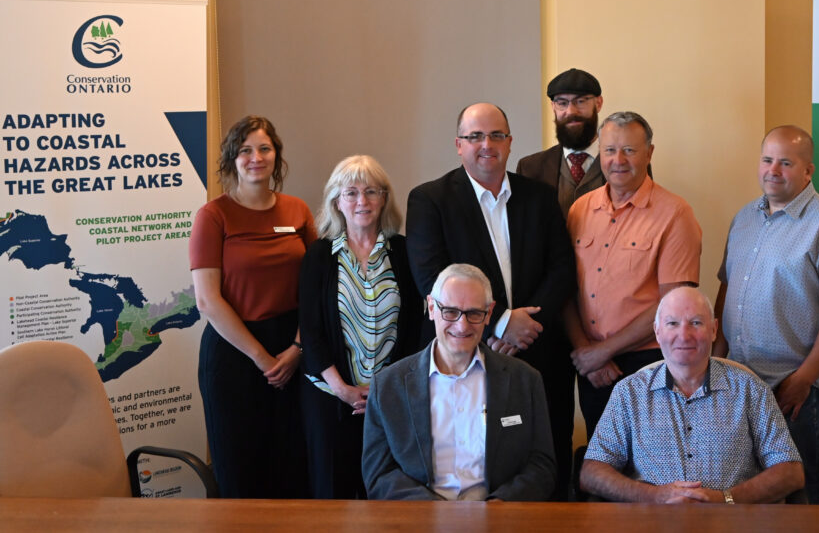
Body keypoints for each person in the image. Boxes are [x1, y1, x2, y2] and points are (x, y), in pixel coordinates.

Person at [405, 102, 576, 498]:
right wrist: (499, 323)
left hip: (538, 353)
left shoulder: (539, 196)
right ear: (458, 145)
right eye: (475, 136)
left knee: (543, 466)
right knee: (478, 460)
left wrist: (525, 328)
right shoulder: (430, 200)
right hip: (467, 353)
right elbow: (431, 277)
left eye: (497, 135)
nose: (487, 145)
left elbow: (562, 267)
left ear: (510, 143)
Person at [714, 125, 819, 504]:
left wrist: (804, 379)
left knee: (803, 493)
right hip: (739, 382)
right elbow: (726, 288)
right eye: (767, 160)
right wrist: (715, 358)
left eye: (786, 162)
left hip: (794, 389)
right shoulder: (745, 217)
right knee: (745, 489)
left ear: (808, 170)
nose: (773, 170)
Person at [581, 286, 804, 504]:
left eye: (696, 323)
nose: (684, 335)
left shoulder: (750, 390)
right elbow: (591, 473)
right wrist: (654, 496)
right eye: (672, 324)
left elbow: (790, 472)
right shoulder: (629, 393)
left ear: (714, 330)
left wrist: (725, 499)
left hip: (732, 523)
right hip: (650, 523)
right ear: (658, 332)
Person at [190, 115, 314, 498]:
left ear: (276, 156)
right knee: (240, 468)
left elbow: (318, 285)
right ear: (232, 159)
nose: (256, 157)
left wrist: (296, 349)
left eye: (264, 148)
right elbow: (208, 300)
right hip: (234, 353)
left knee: (294, 463)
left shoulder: (297, 211)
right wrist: (262, 358)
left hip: (295, 349)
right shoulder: (213, 216)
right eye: (245, 150)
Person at [361, 263, 556, 501]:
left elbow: (541, 466)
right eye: (450, 312)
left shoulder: (525, 380)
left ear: (489, 313)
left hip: (500, 521)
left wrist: (497, 508)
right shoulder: (388, 386)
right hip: (419, 521)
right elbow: (379, 474)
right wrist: (434, 513)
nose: (462, 326)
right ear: (431, 307)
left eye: (474, 313)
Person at [565, 111, 702, 438]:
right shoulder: (580, 209)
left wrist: (603, 351)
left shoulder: (675, 214)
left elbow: (674, 307)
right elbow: (566, 290)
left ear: (649, 153)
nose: (618, 160)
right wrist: (588, 352)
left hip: (647, 365)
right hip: (591, 367)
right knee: (601, 465)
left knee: (647, 468)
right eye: (610, 150)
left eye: (630, 150)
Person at [297, 155, 422, 499]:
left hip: (391, 398)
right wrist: (342, 389)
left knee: (387, 493)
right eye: (351, 193)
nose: (362, 201)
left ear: (385, 198)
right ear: (336, 201)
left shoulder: (405, 250)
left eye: (371, 191)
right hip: (329, 398)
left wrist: (387, 391)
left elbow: (415, 328)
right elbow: (311, 331)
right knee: (332, 495)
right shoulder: (319, 256)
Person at [516, 68, 606, 218]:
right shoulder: (529, 168)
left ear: (598, 103)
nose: (571, 111)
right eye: (562, 103)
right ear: (553, 107)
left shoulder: (626, 163)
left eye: (581, 101)